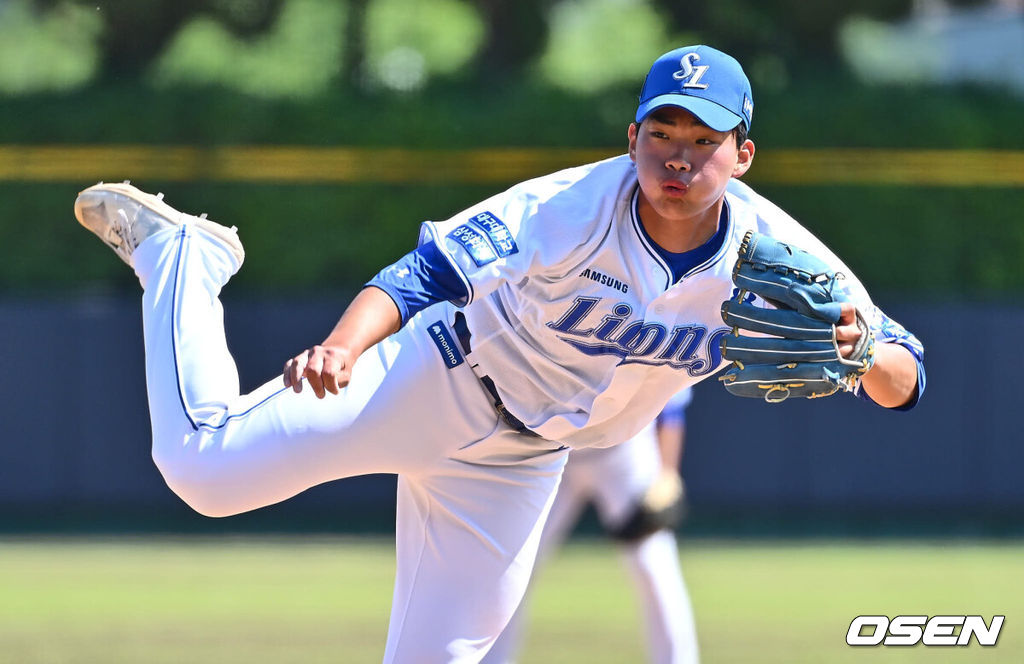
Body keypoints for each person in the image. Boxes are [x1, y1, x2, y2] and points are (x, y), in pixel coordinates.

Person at [74, 45, 925, 664]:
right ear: (631, 137)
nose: (679, 153)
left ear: (742, 155)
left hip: (523, 464)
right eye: (663, 128)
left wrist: (862, 355)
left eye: (705, 138)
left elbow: (906, 378)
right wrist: (342, 346)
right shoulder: (568, 207)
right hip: (437, 378)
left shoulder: (780, 252)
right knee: (203, 470)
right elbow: (421, 274)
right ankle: (184, 260)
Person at [483, 388, 700, 664]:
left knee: (654, 567)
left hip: (623, 455)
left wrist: (667, 470)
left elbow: (671, 400)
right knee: (511, 569)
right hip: (551, 450)